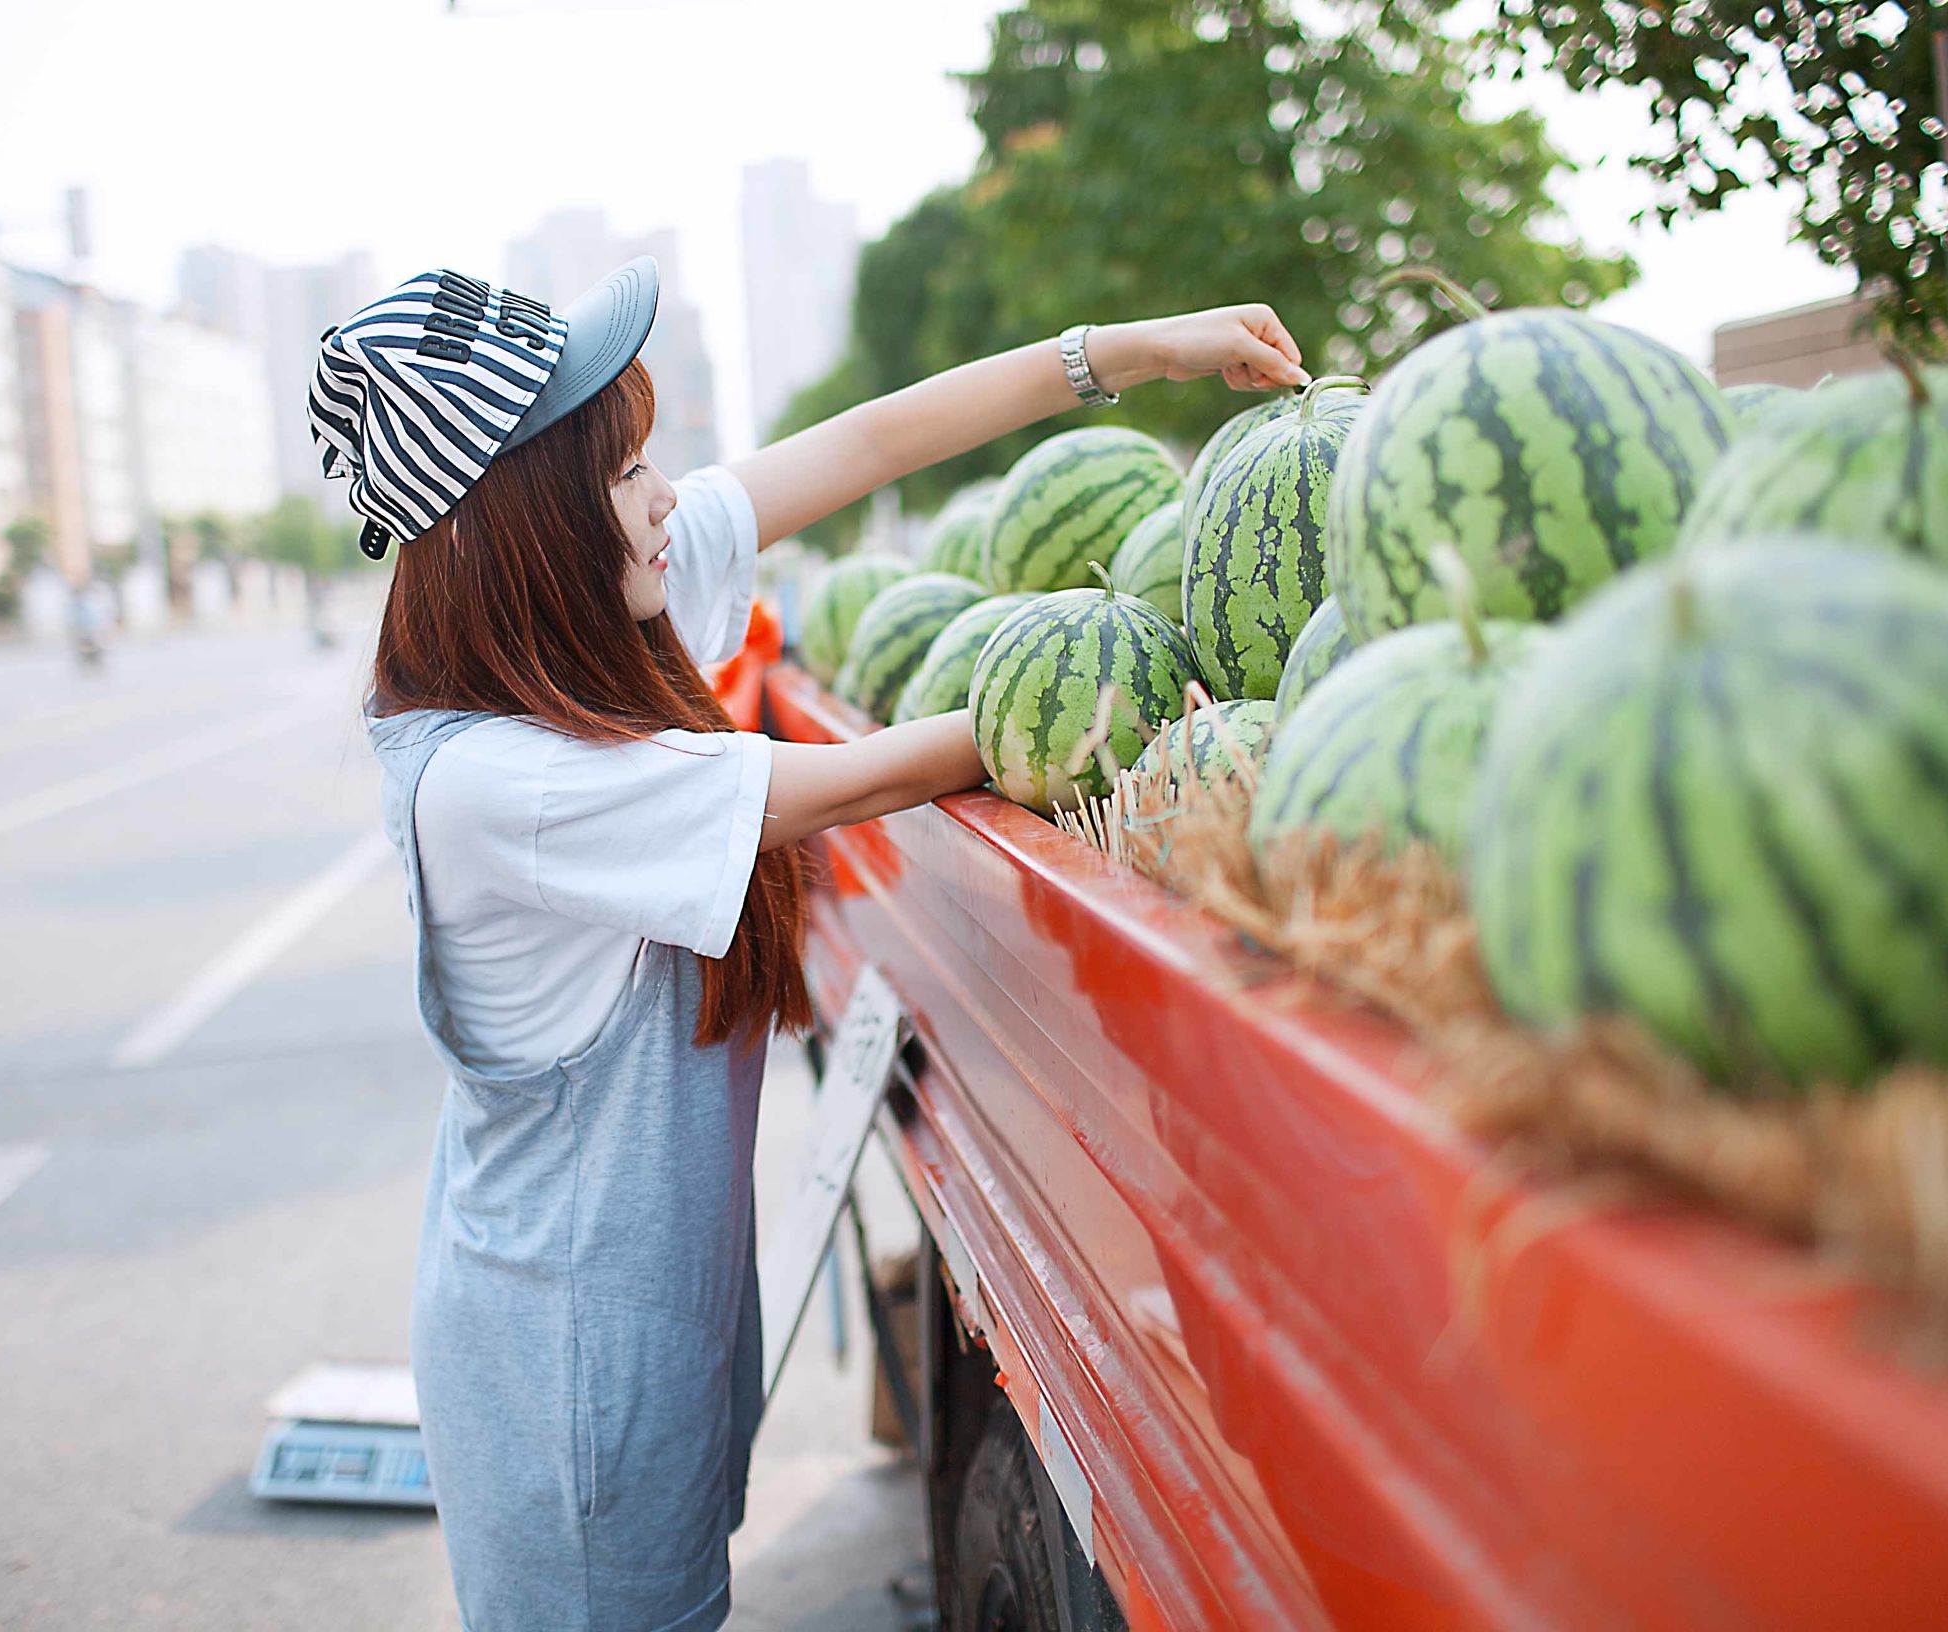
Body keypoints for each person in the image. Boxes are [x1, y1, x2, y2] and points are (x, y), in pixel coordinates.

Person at [309, 257, 1304, 1631]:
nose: (665, 496)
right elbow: (852, 781)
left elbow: (867, 441)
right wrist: (1154, 673)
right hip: (567, 1362)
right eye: (620, 473)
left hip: (644, 1316)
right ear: (514, 529)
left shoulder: (598, 607)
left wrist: (1132, 348)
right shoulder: (491, 782)